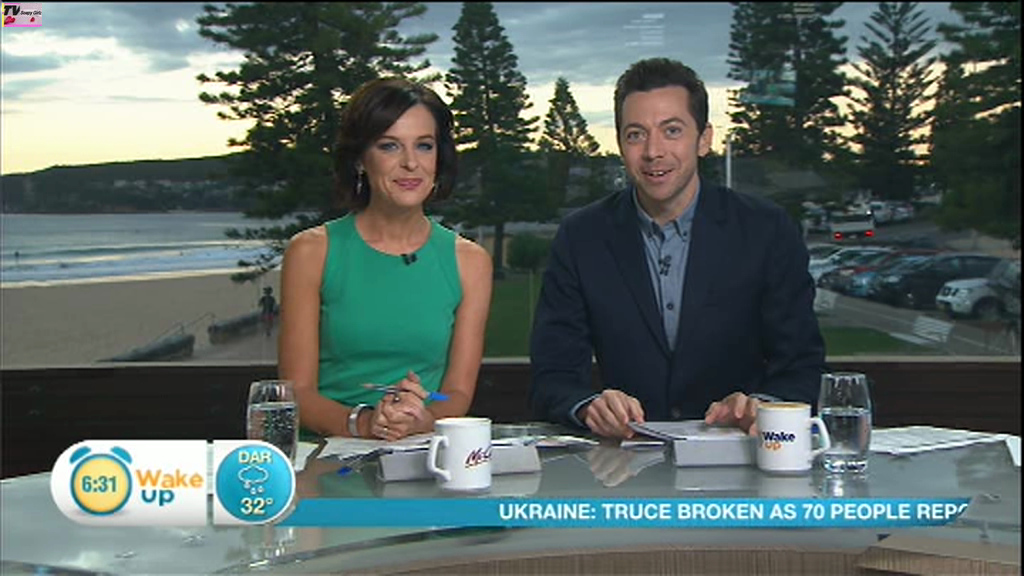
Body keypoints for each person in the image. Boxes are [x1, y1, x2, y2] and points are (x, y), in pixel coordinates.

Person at [529, 58, 826, 439]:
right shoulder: (581, 237)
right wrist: (590, 406)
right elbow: (552, 377)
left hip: (738, 455)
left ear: (704, 139)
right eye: (636, 134)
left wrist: (762, 407)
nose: (653, 151)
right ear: (620, 144)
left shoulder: (766, 230)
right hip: (626, 457)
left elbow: (802, 366)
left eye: (672, 131)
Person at [278, 77, 493, 441]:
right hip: (329, 452)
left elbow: (455, 393)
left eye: (424, 146)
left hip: (420, 451)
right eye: (389, 146)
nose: (411, 163)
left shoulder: (470, 261)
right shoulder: (311, 252)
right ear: (361, 159)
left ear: (439, 158)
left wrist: (422, 420)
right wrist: (364, 423)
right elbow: (297, 391)